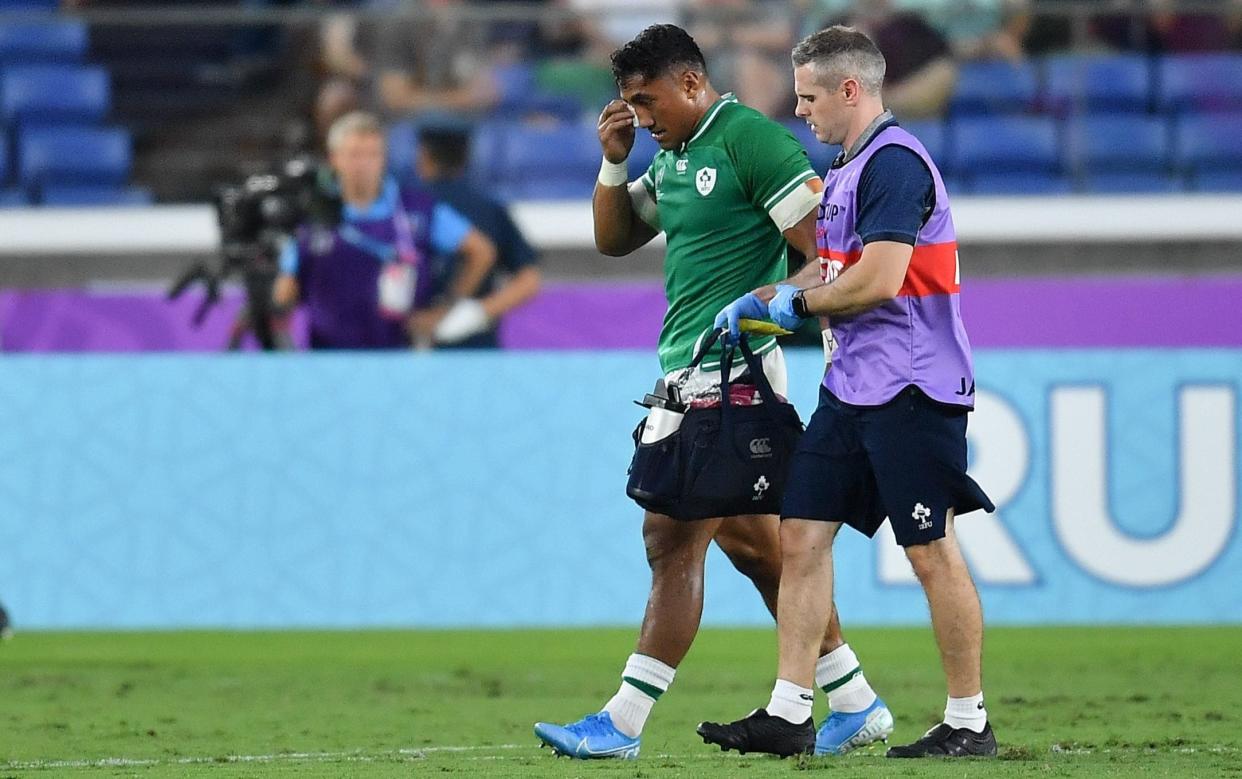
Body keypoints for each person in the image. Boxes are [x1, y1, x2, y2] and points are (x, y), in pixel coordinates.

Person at [533, 24, 893, 761]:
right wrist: (611, 165)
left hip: (734, 372)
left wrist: (764, 305)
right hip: (686, 373)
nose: (640, 115)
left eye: (647, 99)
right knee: (755, 547)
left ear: (692, 84)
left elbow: (824, 262)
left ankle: (622, 721)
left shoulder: (749, 142)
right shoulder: (674, 157)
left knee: (669, 538)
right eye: (628, 104)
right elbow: (615, 237)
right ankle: (855, 699)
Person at [697, 25, 997, 759]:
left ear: (851, 90)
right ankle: (791, 709)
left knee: (929, 548)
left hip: (914, 386)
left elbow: (880, 278)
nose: (799, 110)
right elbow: (832, 271)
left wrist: (796, 310)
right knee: (799, 535)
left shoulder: (894, 165)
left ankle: (968, 719)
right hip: (852, 386)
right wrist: (764, 296)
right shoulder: (844, 167)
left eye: (807, 97)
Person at [273, 111, 496, 349]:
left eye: (372, 154)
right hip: (329, 357)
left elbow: (481, 251)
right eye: (354, 155)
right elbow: (286, 287)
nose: (363, 164)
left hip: (398, 355)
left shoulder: (416, 209)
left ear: (383, 158)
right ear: (334, 159)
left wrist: (445, 308)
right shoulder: (311, 214)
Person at [413, 122, 542, 348]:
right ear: (467, 159)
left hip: (408, 343)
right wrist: (479, 312)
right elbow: (529, 280)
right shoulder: (489, 208)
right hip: (475, 350)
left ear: (423, 157)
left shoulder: (407, 206)